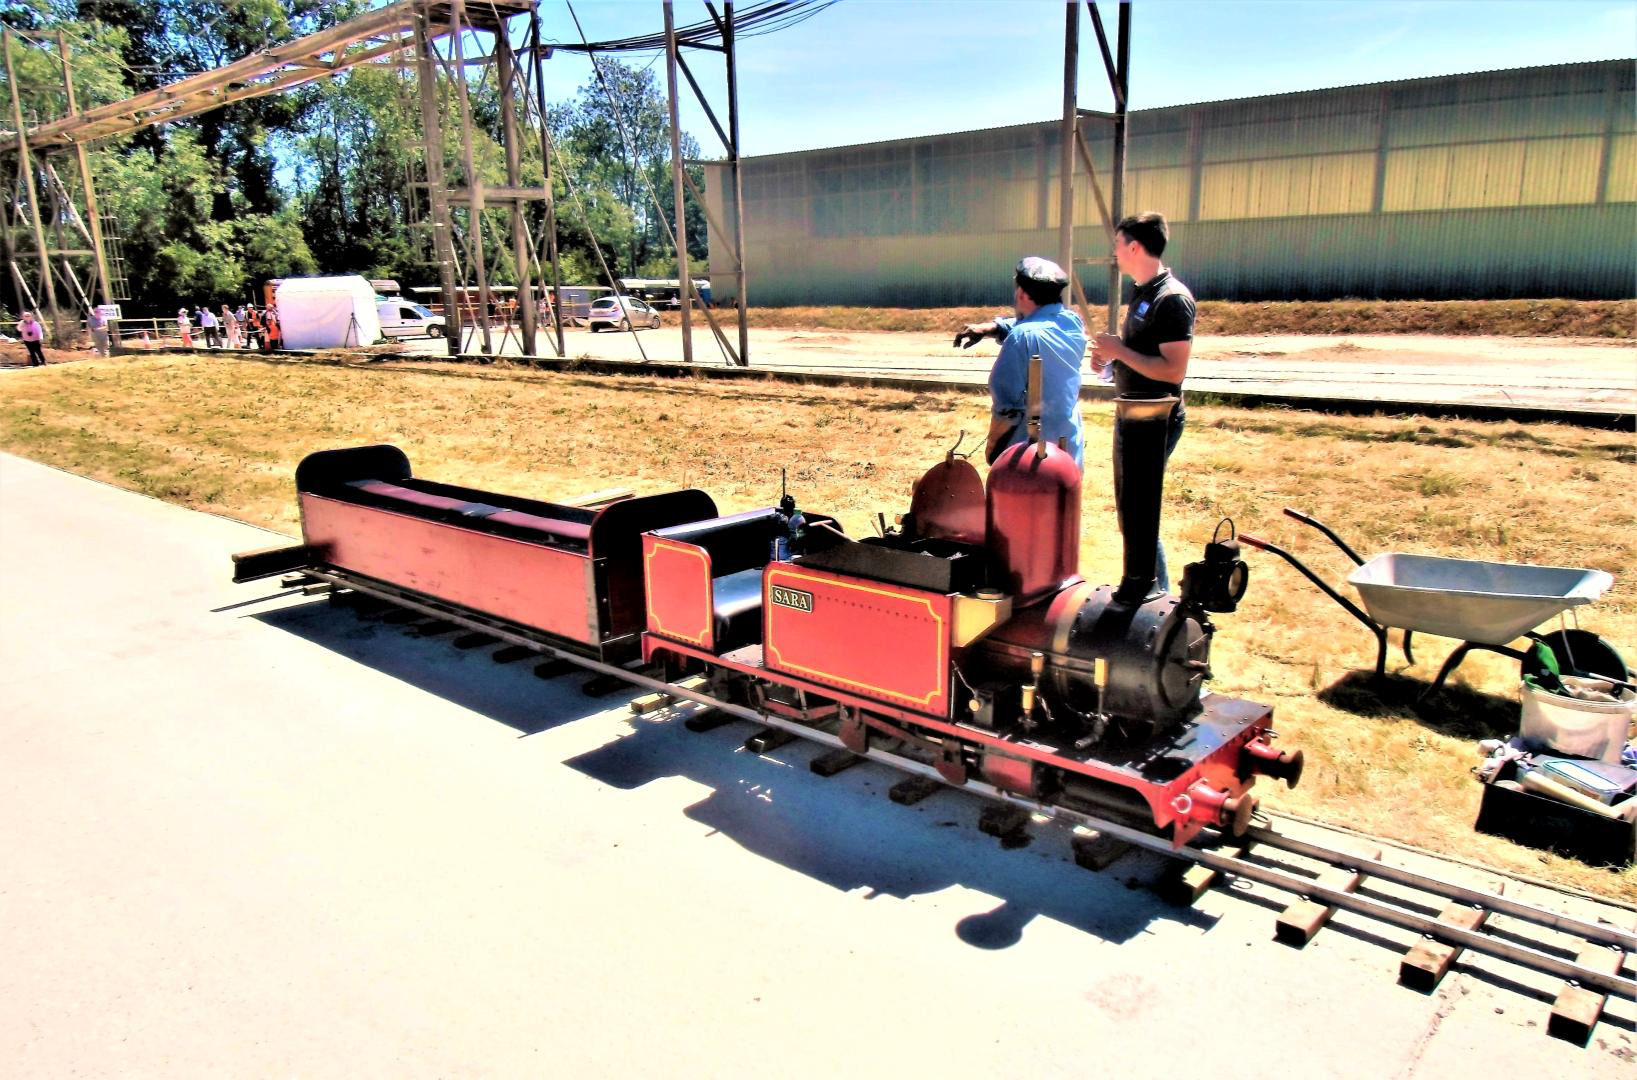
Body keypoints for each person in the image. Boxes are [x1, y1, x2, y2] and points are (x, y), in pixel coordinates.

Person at [1089, 211, 1197, 594]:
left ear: (1134, 247)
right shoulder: (1144, 292)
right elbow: (1141, 355)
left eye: (1117, 245)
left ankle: (1155, 597)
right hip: (1133, 415)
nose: (1115, 253)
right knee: (1131, 513)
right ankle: (1151, 593)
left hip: (1154, 420)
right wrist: (1111, 359)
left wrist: (1120, 350)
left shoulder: (1172, 299)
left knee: (1139, 512)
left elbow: (1173, 370)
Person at [953, 256, 1085, 467]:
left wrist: (993, 449)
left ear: (1021, 293)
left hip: (1029, 458)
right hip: (1068, 453)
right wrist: (991, 328)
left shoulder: (1021, 337)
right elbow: (1036, 323)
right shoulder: (1073, 323)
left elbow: (1007, 409)